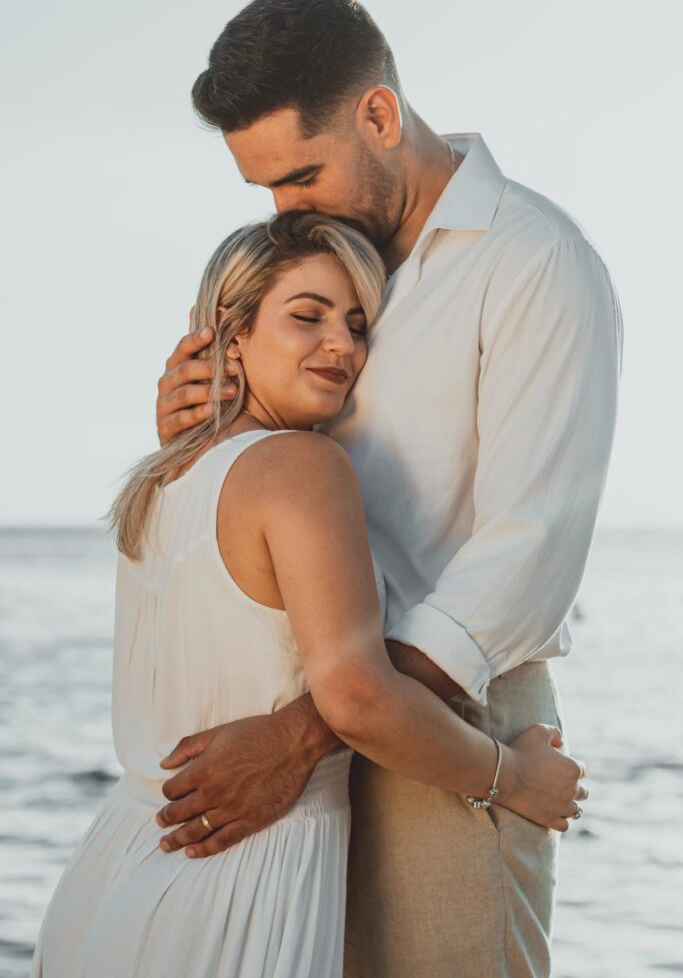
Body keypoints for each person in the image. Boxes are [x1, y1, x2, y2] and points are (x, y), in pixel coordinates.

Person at [153, 0, 622, 978]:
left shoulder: (535, 264)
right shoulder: (326, 278)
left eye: (301, 176)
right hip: (304, 718)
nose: (285, 212)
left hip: (444, 723)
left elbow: (519, 564)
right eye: (264, 191)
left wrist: (302, 732)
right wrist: (194, 427)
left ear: (378, 113)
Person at [30, 212, 583, 978]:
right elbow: (358, 697)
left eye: (357, 325)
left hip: (113, 880)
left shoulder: (157, 482)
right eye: (307, 316)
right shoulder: (300, 468)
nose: (342, 346)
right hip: (235, 894)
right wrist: (513, 777)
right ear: (231, 331)